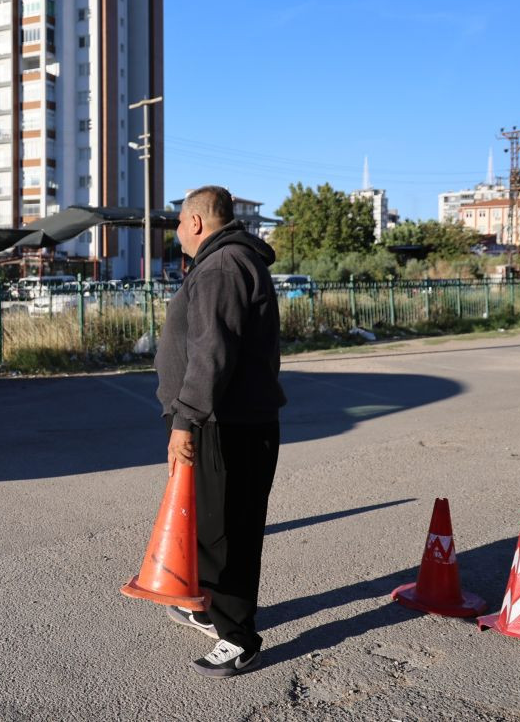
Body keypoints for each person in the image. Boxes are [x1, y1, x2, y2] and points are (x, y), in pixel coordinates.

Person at [155, 185, 286, 677]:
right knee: (210, 525)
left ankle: (238, 637)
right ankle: (209, 607)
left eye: (177, 223)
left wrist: (185, 419)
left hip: (229, 425)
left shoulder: (223, 266)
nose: (176, 234)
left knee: (230, 529)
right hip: (221, 420)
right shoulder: (221, 263)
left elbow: (212, 354)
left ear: (195, 222)